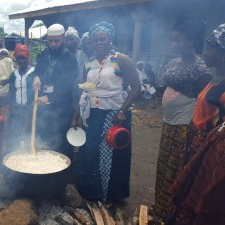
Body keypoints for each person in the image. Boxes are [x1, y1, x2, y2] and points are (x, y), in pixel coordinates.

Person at [73, 21, 141, 201]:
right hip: (93, 114)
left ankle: (109, 196)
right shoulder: (89, 63)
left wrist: (122, 111)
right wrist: (76, 116)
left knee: (109, 154)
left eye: (103, 39)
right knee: (90, 151)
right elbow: (84, 90)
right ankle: (91, 193)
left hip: (114, 115)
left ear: (110, 39)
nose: (99, 43)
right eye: (95, 41)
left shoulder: (120, 60)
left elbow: (136, 87)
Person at [165, 22, 225, 225]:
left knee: (199, 194)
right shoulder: (216, 78)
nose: (205, 52)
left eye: (211, 49)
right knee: (186, 187)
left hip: (210, 147)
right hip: (195, 140)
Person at [153, 21, 212, 220]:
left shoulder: (201, 68)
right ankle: (159, 207)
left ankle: (171, 213)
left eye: (177, 40)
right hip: (168, 124)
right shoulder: (172, 63)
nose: (173, 44)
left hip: (184, 127)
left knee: (175, 170)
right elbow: (162, 82)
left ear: (191, 41)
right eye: (172, 39)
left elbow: (204, 98)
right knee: (163, 168)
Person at [32, 23, 78, 157]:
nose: (53, 44)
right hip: (43, 108)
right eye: (50, 41)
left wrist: (50, 98)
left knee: (60, 143)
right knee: (44, 138)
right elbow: (38, 71)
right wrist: (36, 77)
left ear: (63, 38)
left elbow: (68, 85)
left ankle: (62, 174)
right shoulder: (43, 54)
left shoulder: (70, 58)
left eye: (56, 41)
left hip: (62, 109)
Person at [7, 44, 36, 151]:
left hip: (31, 110)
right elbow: (11, 92)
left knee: (29, 134)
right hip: (16, 110)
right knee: (16, 135)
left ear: (28, 58)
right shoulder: (13, 75)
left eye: (23, 58)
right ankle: (15, 154)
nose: (21, 61)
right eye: (18, 59)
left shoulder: (34, 72)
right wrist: (12, 107)